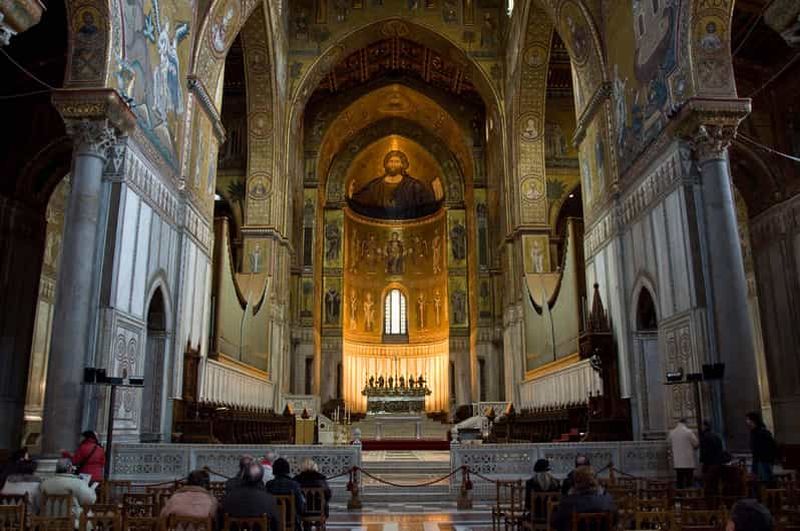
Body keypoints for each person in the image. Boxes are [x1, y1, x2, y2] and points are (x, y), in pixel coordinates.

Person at [550, 467, 616, 531]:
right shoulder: (607, 498)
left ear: (576, 482)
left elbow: (555, 523)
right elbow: (615, 520)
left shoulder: (567, 502)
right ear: (595, 480)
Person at [222, 462, 280, 531]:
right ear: (261, 478)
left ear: (243, 476)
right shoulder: (269, 499)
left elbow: (221, 522)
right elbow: (275, 525)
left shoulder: (229, 497)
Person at [39, 458, 97, 527]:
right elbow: (89, 501)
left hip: (48, 522)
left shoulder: (45, 483)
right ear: (70, 468)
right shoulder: (78, 483)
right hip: (72, 522)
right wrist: (91, 490)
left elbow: (40, 503)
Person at [266, 458, 305, 531]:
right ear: (287, 470)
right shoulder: (294, 485)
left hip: (273, 523)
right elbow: (300, 506)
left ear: (274, 471)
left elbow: (266, 505)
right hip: (291, 520)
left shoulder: (269, 485)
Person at [0, 449, 42, 514]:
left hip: (5, 517)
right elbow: (38, 508)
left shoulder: (7, 472)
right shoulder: (34, 484)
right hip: (25, 519)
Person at [747, 411, 777, 484]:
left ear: (753, 421)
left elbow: (770, 447)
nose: (747, 422)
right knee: (760, 481)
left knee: (764, 482)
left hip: (763, 460)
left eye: (748, 420)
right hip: (759, 460)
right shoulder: (755, 432)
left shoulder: (761, 432)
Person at [668, 418, 699, 489]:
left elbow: (669, 445)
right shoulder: (689, 432)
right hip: (688, 462)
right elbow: (696, 444)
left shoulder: (672, 432)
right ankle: (689, 498)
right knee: (689, 482)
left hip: (678, 462)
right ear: (685, 423)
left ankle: (680, 498)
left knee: (680, 482)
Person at [700, 421, 725, 497]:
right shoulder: (717, 436)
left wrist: (703, 462)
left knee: (708, 486)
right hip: (718, 463)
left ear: (705, 426)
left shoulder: (705, 437)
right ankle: (717, 503)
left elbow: (705, 452)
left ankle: (710, 504)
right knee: (716, 485)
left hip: (709, 464)